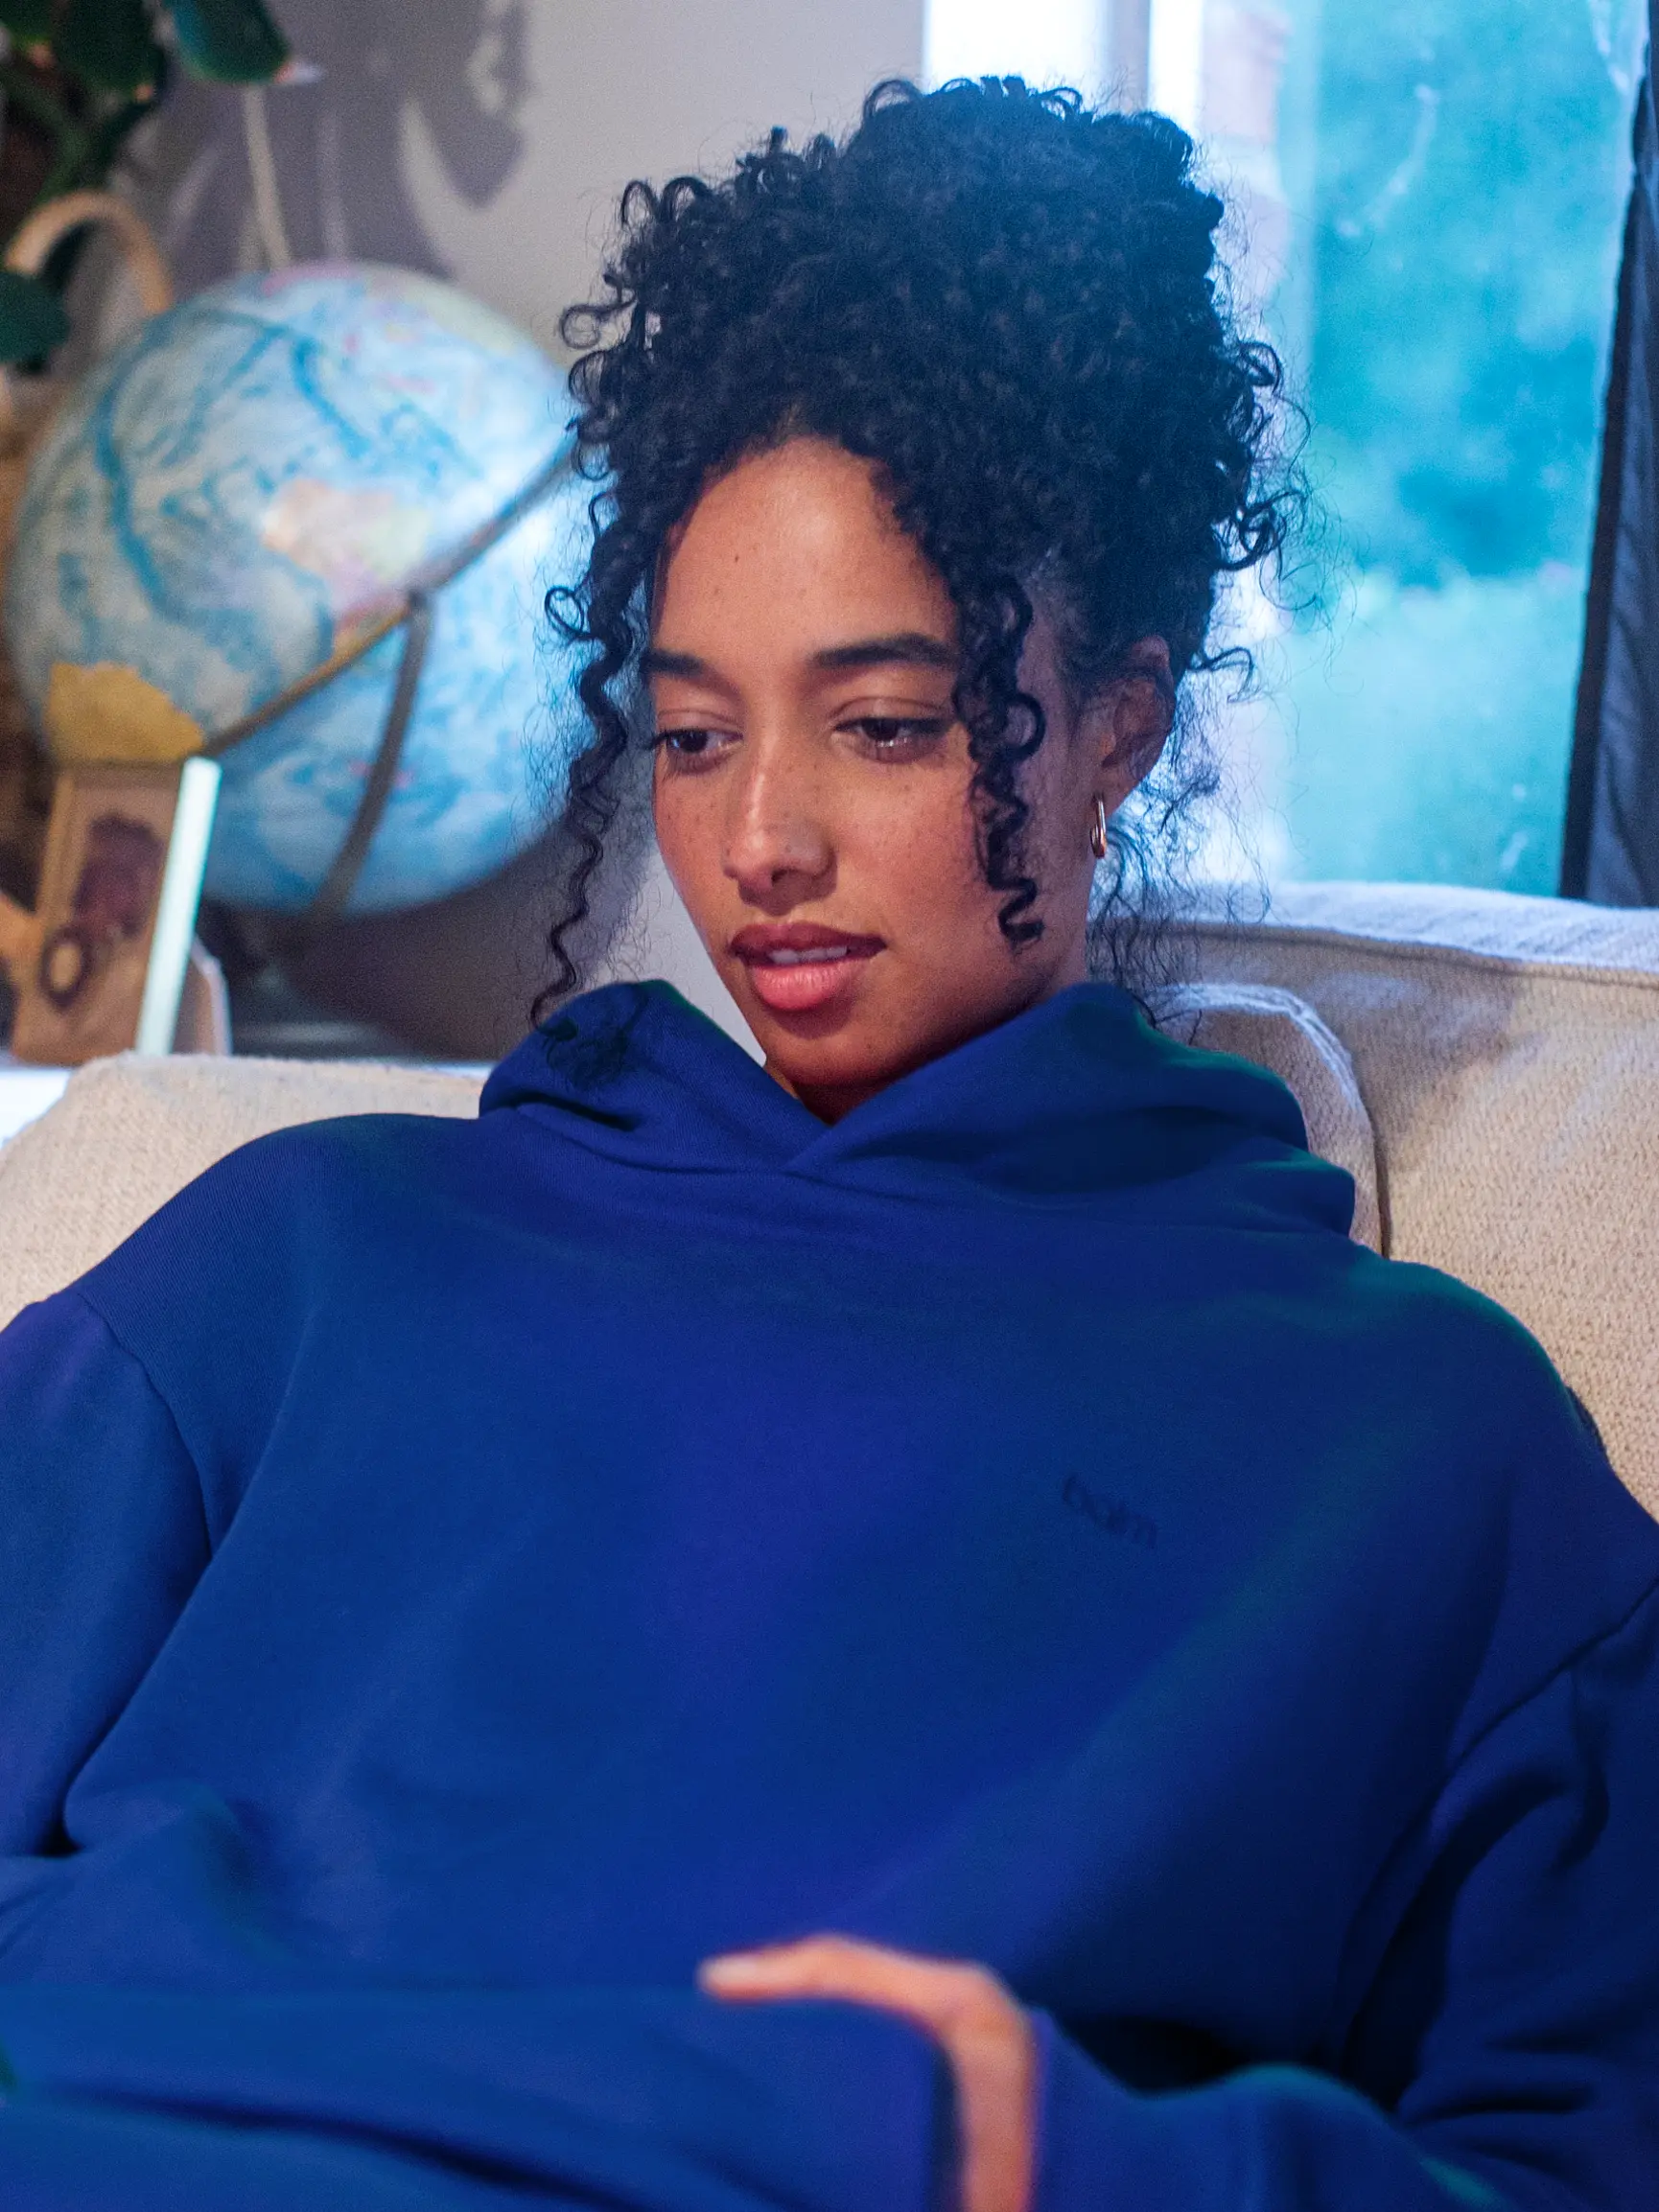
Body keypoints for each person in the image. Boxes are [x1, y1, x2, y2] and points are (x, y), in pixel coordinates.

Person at [0, 76, 1655, 2212]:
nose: (758, 842)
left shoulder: (1419, 1452)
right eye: (690, 736)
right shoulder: (300, 1252)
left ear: (1120, 716)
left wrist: (1080, 2163)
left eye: (883, 723)